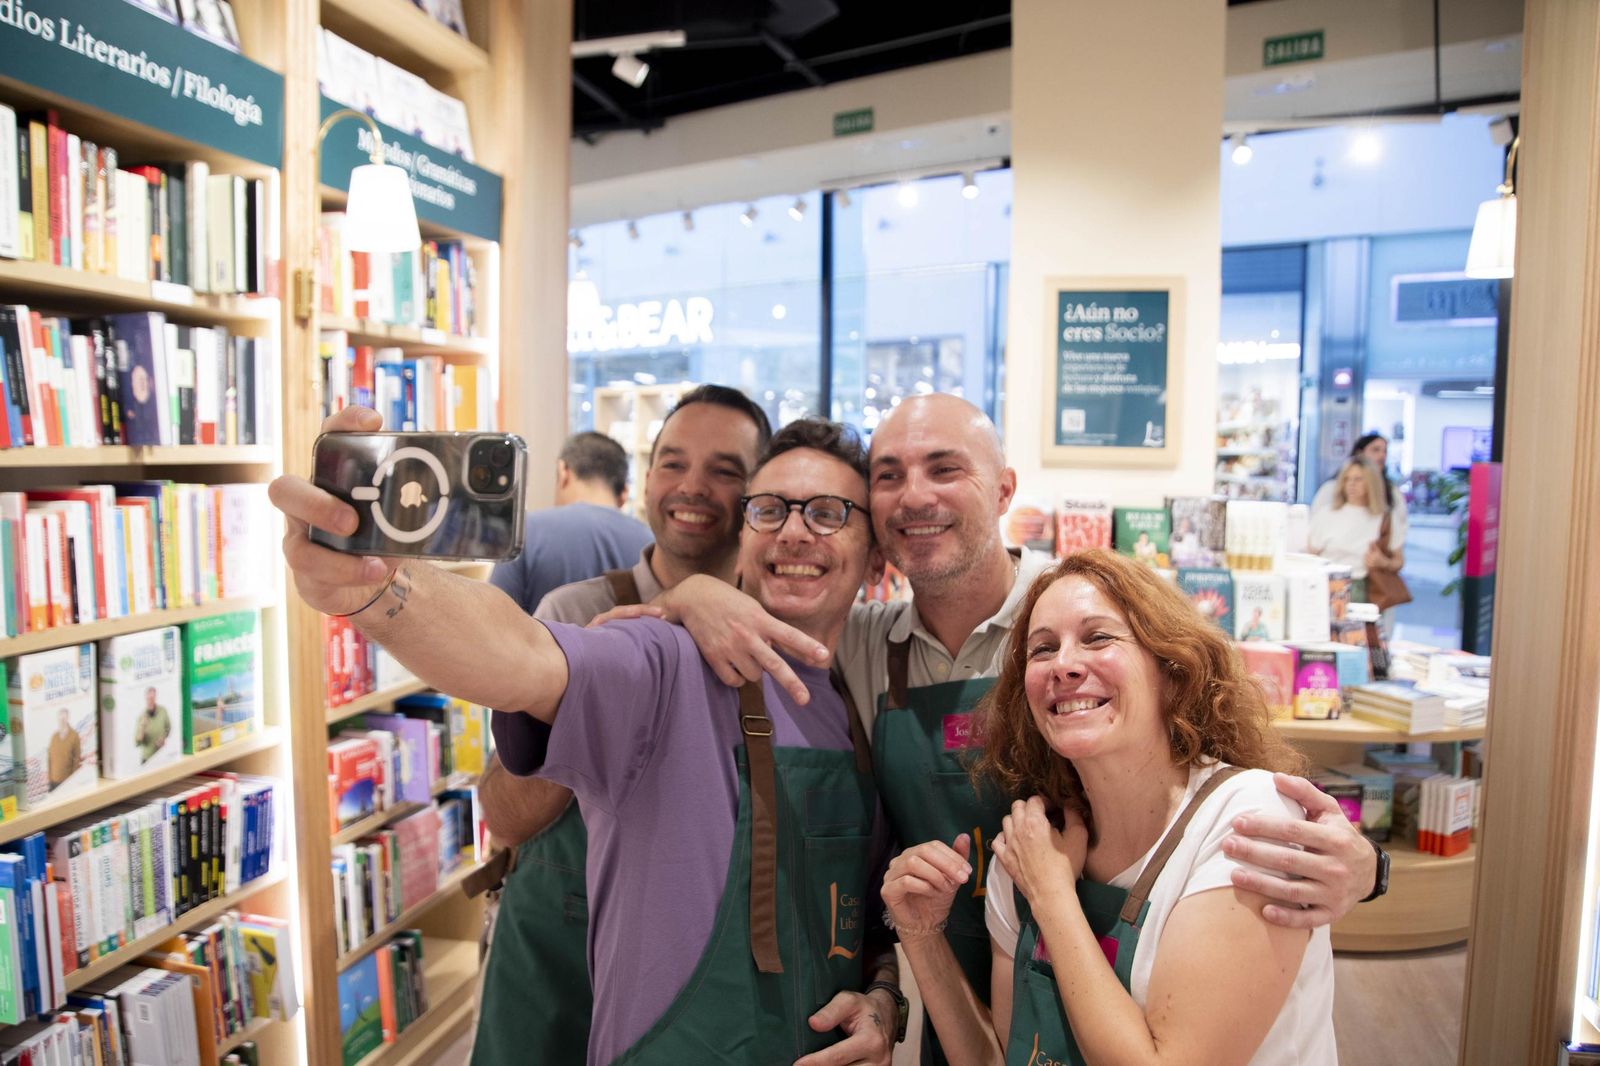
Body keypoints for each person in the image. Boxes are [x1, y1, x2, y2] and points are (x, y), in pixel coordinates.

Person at [633, 393, 1377, 1063]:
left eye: (944, 468)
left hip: (1125, 954)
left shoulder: (1072, 613)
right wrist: (693, 593)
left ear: (1004, 490)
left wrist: (1365, 867)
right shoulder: (859, 646)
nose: (914, 495)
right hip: (967, 987)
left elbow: (1212, 759)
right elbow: (770, 609)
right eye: (888, 475)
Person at [270, 408, 900, 1066]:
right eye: (770, 510)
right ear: (743, 535)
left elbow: (859, 907)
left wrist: (884, 995)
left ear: (875, 553)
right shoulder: (667, 659)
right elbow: (517, 653)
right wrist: (379, 586)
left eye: (827, 513)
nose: (795, 532)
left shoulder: (858, 699)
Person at [882, 549, 1336, 1065]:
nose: (1065, 666)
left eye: (1098, 637)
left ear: (1172, 668)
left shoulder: (1248, 818)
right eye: (1043, 649)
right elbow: (1005, 1057)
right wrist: (920, 936)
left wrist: (1053, 895)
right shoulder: (1031, 845)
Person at [469, 385, 772, 1066]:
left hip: (697, 965)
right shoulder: (574, 613)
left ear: (759, 493)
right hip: (556, 946)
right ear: (646, 477)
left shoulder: (772, 632)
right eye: (672, 463)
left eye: (725, 470)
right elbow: (503, 815)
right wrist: (592, 720)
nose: (691, 487)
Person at [487, 430, 653, 614]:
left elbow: (495, 618)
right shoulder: (650, 542)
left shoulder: (525, 532)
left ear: (563, 471)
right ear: (624, 493)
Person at [1306, 457, 1404, 605]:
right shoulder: (1327, 514)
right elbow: (1310, 554)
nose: (1351, 484)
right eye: (1347, 479)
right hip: (1325, 584)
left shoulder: (1384, 518)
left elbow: (1399, 561)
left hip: (1362, 587)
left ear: (1371, 483)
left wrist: (1383, 562)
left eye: (1358, 479)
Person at [1312, 432, 1409, 548]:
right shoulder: (1330, 489)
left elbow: (1400, 529)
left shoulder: (1392, 492)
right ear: (1359, 453)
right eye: (1376, 450)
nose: (1382, 456)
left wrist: (1383, 561)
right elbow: (1315, 529)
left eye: (1385, 451)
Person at [133, 686, 171, 764]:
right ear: (145, 698)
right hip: (148, 758)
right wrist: (142, 727)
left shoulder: (163, 710)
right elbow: (138, 742)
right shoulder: (141, 717)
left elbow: (168, 728)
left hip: (162, 754)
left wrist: (163, 738)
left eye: (153, 697)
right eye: (149, 698)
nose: (151, 700)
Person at [47, 707, 81, 789]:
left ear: (67, 718)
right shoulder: (54, 737)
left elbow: (76, 759)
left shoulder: (74, 736)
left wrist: (73, 781)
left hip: (67, 782)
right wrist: (49, 779)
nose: (62, 720)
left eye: (64, 718)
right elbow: (49, 759)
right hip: (53, 782)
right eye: (60, 718)